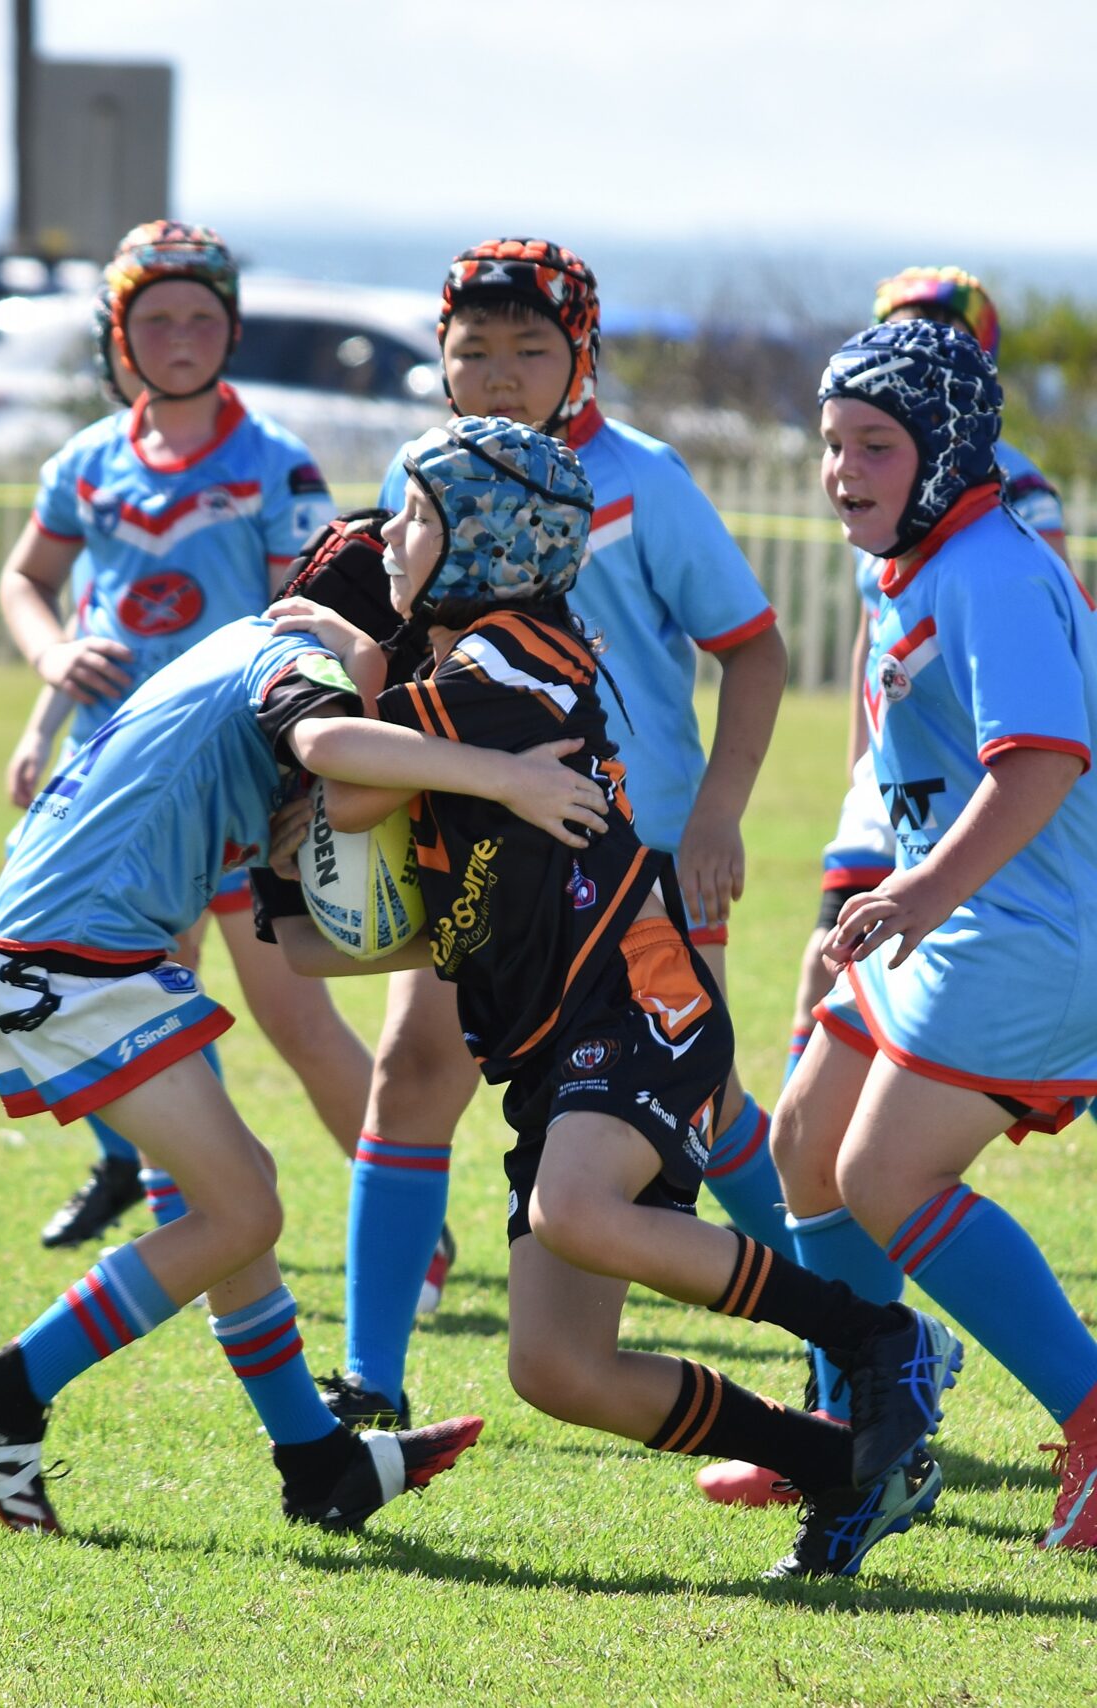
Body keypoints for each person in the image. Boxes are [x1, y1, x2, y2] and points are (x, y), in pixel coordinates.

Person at [268, 415, 961, 1579]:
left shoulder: (512, 654)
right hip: (553, 1053)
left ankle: (877, 1335)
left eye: (416, 515)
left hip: (634, 1007)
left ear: (486, 540)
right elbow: (317, 947)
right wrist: (281, 863)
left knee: (573, 1211)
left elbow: (341, 780)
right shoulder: (452, 694)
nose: (390, 536)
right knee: (556, 1367)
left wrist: (352, 666)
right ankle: (841, 1465)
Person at [0, 580, 623, 1533]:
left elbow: (305, 943)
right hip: (71, 960)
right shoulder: (294, 661)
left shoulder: (272, 691)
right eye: (430, 668)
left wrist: (495, 930)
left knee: (238, 1198)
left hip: (85, 954)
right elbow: (333, 741)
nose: (434, 693)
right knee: (243, 1210)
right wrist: (503, 777)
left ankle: (316, 1460)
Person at [322, 238, 789, 1429]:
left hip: (635, 858)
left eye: (529, 348)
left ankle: (851, 1343)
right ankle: (370, 1382)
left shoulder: (641, 479)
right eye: (471, 348)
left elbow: (753, 648)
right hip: (471, 846)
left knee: (709, 1105)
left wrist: (717, 816)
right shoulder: (419, 474)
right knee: (410, 1071)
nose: (497, 372)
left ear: (580, 356)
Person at [702, 267, 1074, 1508]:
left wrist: (911, 896)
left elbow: (1035, 769)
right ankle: (854, 1424)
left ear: (947, 448)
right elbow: (896, 761)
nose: (839, 470)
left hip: (1028, 927)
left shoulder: (993, 569)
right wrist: (869, 889)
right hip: (945, 912)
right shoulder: (908, 557)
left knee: (883, 1176)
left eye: (873, 444)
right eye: (829, 443)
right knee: (804, 1145)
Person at [0, 220, 374, 1251]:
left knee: (295, 1018)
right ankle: (186, 1211)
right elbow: (32, 581)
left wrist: (304, 780)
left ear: (231, 330)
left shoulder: (274, 464)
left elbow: (306, 624)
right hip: (115, 786)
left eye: (200, 318)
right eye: (154, 319)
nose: (179, 338)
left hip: (234, 781)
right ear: (118, 337)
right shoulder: (86, 462)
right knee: (132, 1004)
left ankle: (406, 1225)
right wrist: (49, 666)